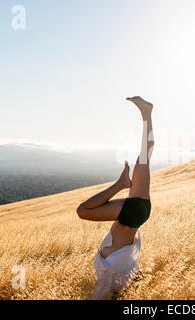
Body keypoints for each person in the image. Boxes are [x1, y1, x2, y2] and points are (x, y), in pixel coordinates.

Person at [76, 96, 154, 299]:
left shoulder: (114, 276)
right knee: (82, 211)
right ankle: (146, 113)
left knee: (144, 157)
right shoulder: (114, 274)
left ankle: (147, 113)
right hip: (132, 214)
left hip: (141, 212)